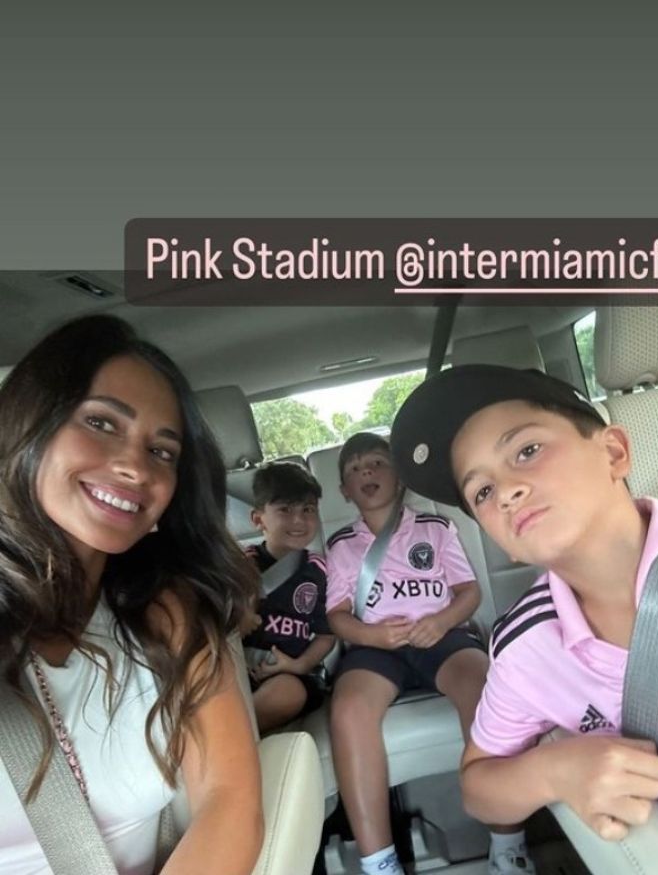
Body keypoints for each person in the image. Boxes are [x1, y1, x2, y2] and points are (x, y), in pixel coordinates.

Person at [391, 363, 658, 871]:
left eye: (527, 451)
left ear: (613, 453)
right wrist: (553, 772)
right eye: (482, 494)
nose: (508, 491)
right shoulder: (528, 644)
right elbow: (479, 786)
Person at [0, 315, 263, 875]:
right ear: (29, 427)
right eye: (100, 421)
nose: (133, 466)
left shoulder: (169, 612)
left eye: (163, 452)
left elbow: (229, 800)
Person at [325, 431, 534, 875]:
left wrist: (440, 622)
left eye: (377, 462)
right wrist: (371, 636)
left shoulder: (434, 528)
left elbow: (468, 592)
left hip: (441, 635)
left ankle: (508, 844)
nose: (366, 471)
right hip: (375, 647)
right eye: (354, 468)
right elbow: (338, 616)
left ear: (400, 476)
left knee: (482, 685)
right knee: (348, 710)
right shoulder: (342, 546)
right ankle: (379, 862)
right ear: (344, 490)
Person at [241, 461, 335, 735]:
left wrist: (298, 665)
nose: (298, 520)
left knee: (288, 693)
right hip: (240, 668)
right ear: (258, 519)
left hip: (293, 673)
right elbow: (219, 621)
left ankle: (237, 737)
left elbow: (326, 635)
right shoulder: (240, 564)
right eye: (285, 510)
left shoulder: (320, 571)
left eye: (308, 510)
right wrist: (241, 615)